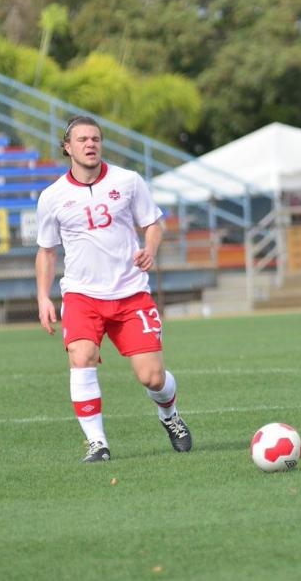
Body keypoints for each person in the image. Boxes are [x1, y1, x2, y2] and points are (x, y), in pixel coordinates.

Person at [35, 115, 192, 463]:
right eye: (82, 140)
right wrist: (43, 296)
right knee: (82, 357)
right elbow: (46, 251)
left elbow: (153, 223)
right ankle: (97, 443)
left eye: (96, 138)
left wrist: (149, 250)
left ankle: (170, 416)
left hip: (130, 293)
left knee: (152, 377)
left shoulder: (129, 181)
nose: (90, 144)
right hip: (81, 295)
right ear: (67, 147)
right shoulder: (52, 197)